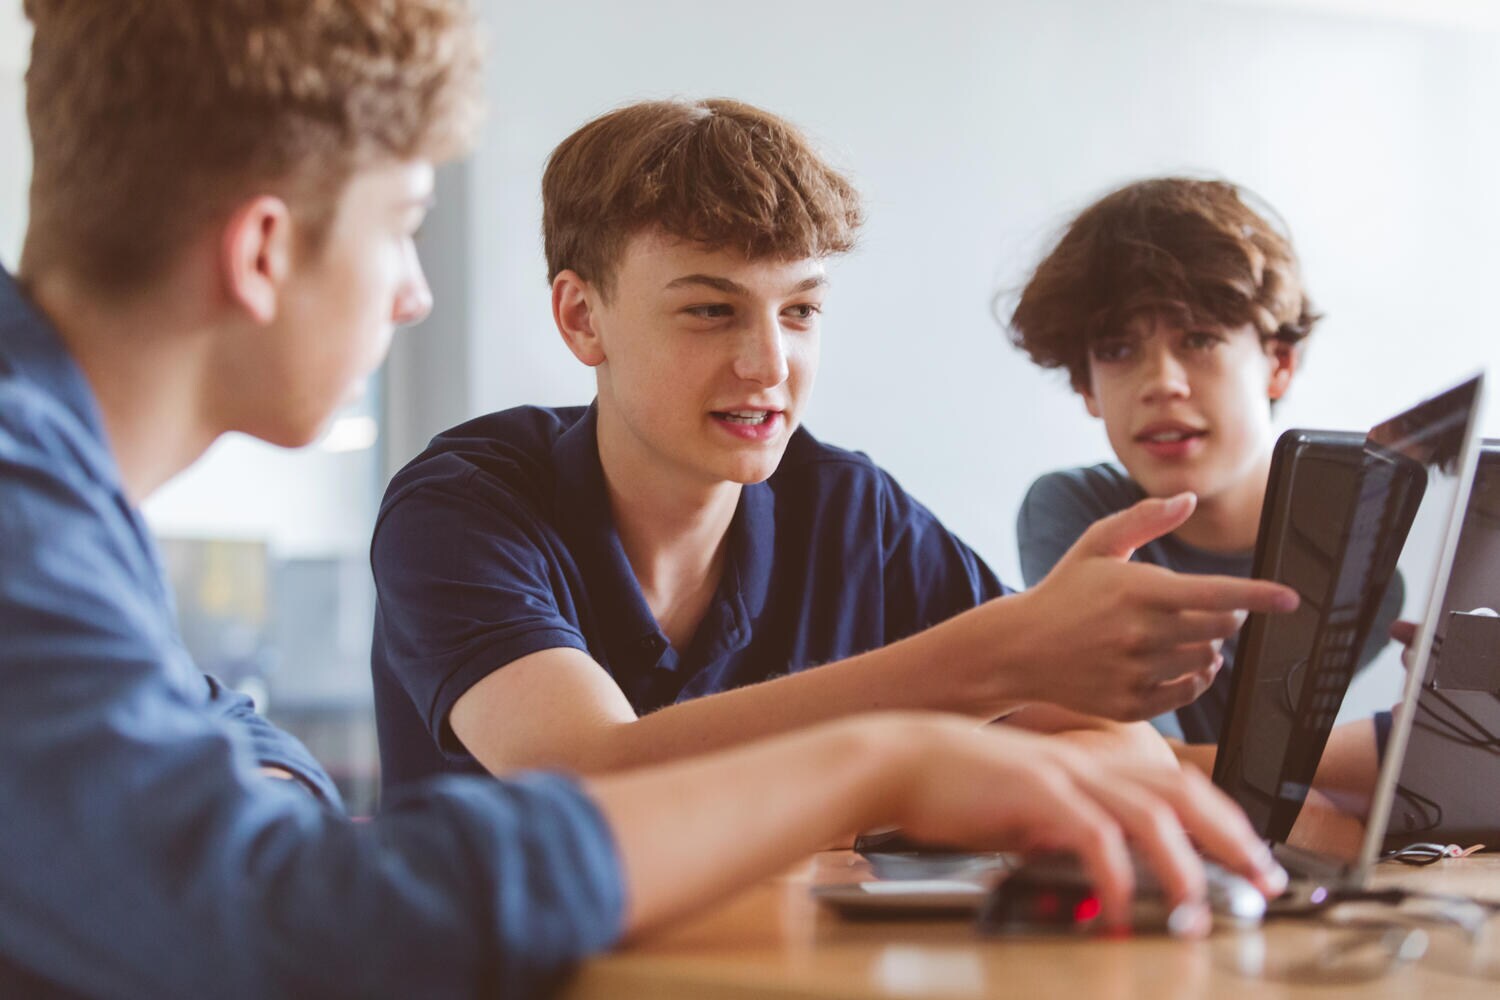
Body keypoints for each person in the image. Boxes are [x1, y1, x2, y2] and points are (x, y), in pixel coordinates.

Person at [0, 4, 1285, 996]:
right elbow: (286, 913)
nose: (413, 293)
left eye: (800, 310)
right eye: (402, 226)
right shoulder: (32, 492)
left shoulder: (59, 496)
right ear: (265, 249)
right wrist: (890, 749)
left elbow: (218, 764)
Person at [370, 101, 1300, 793]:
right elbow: (588, 776)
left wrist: (923, 762)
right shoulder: (461, 508)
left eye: (801, 311)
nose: (769, 365)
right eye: (711, 310)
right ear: (583, 317)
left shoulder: (852, 513)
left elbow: (1125, 751)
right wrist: (991, 662)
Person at [1009, 176, 1400, 768]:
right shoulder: (1081, 515)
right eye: (1117, 350)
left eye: (1199, 339)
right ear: (1086, 388)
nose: (1162, 382)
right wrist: (1376, 758)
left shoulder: (1379, 544)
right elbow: (1142, 765)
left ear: (1279, 363)